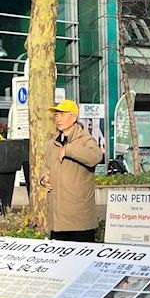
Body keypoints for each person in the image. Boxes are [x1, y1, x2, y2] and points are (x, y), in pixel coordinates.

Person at [42, 100, 105, 242]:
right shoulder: (52, 143)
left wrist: (69, 150)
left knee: (83, 256)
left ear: (73, 117)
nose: (58, 118)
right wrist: (44, 178)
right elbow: (46, 166)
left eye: (62, 114)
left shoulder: (85, 139)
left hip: (79, 220)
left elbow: (96, 156)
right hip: (57, 220)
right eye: (56, 115)